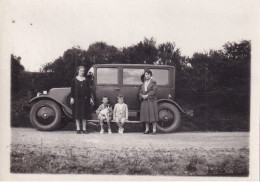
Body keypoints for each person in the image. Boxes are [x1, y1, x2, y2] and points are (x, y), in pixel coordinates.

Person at [70, 66, 94, 134]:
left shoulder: (86, 80)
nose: (82, 72)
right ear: (78, 71)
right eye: (81, 71)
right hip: (77, 99)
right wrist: (72, 98)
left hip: (85, 99)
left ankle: (84, 129)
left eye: (83, 71)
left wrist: (90, 98)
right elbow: (72, 90)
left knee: (84, 115)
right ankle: (78, 129)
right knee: (77, 114)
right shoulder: (74, 80)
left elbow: (88, 90)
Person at [139, 69, 159, 134]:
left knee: (153, 114)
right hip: (144, 101)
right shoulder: (143, 84)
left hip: (151, 100)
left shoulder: (154, 82)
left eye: (148, 74)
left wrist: (147, 95)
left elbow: (154, 91)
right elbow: (140, 92)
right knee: (146, 115)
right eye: (146, 74)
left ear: (150, 75)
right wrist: (142, 96)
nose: (147, 76)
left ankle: (154, 130)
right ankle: (147, 130)